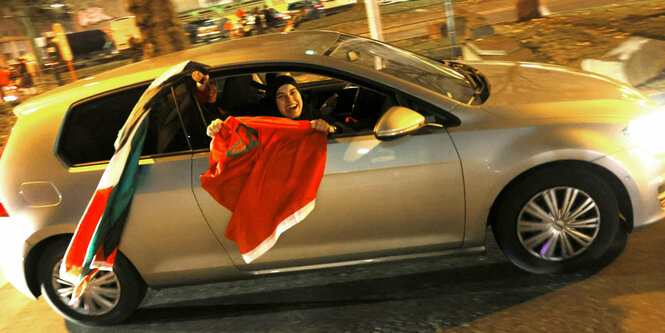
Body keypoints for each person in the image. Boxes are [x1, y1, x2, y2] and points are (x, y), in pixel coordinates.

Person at [205, 74, 335, 137]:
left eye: (292, 92)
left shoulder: (310, 113)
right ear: (274, 102)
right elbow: (232, 126)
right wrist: (217, 128)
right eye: (281, 96)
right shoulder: (263, 121)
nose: (290, 100)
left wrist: (330, 129)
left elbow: (341, 130)